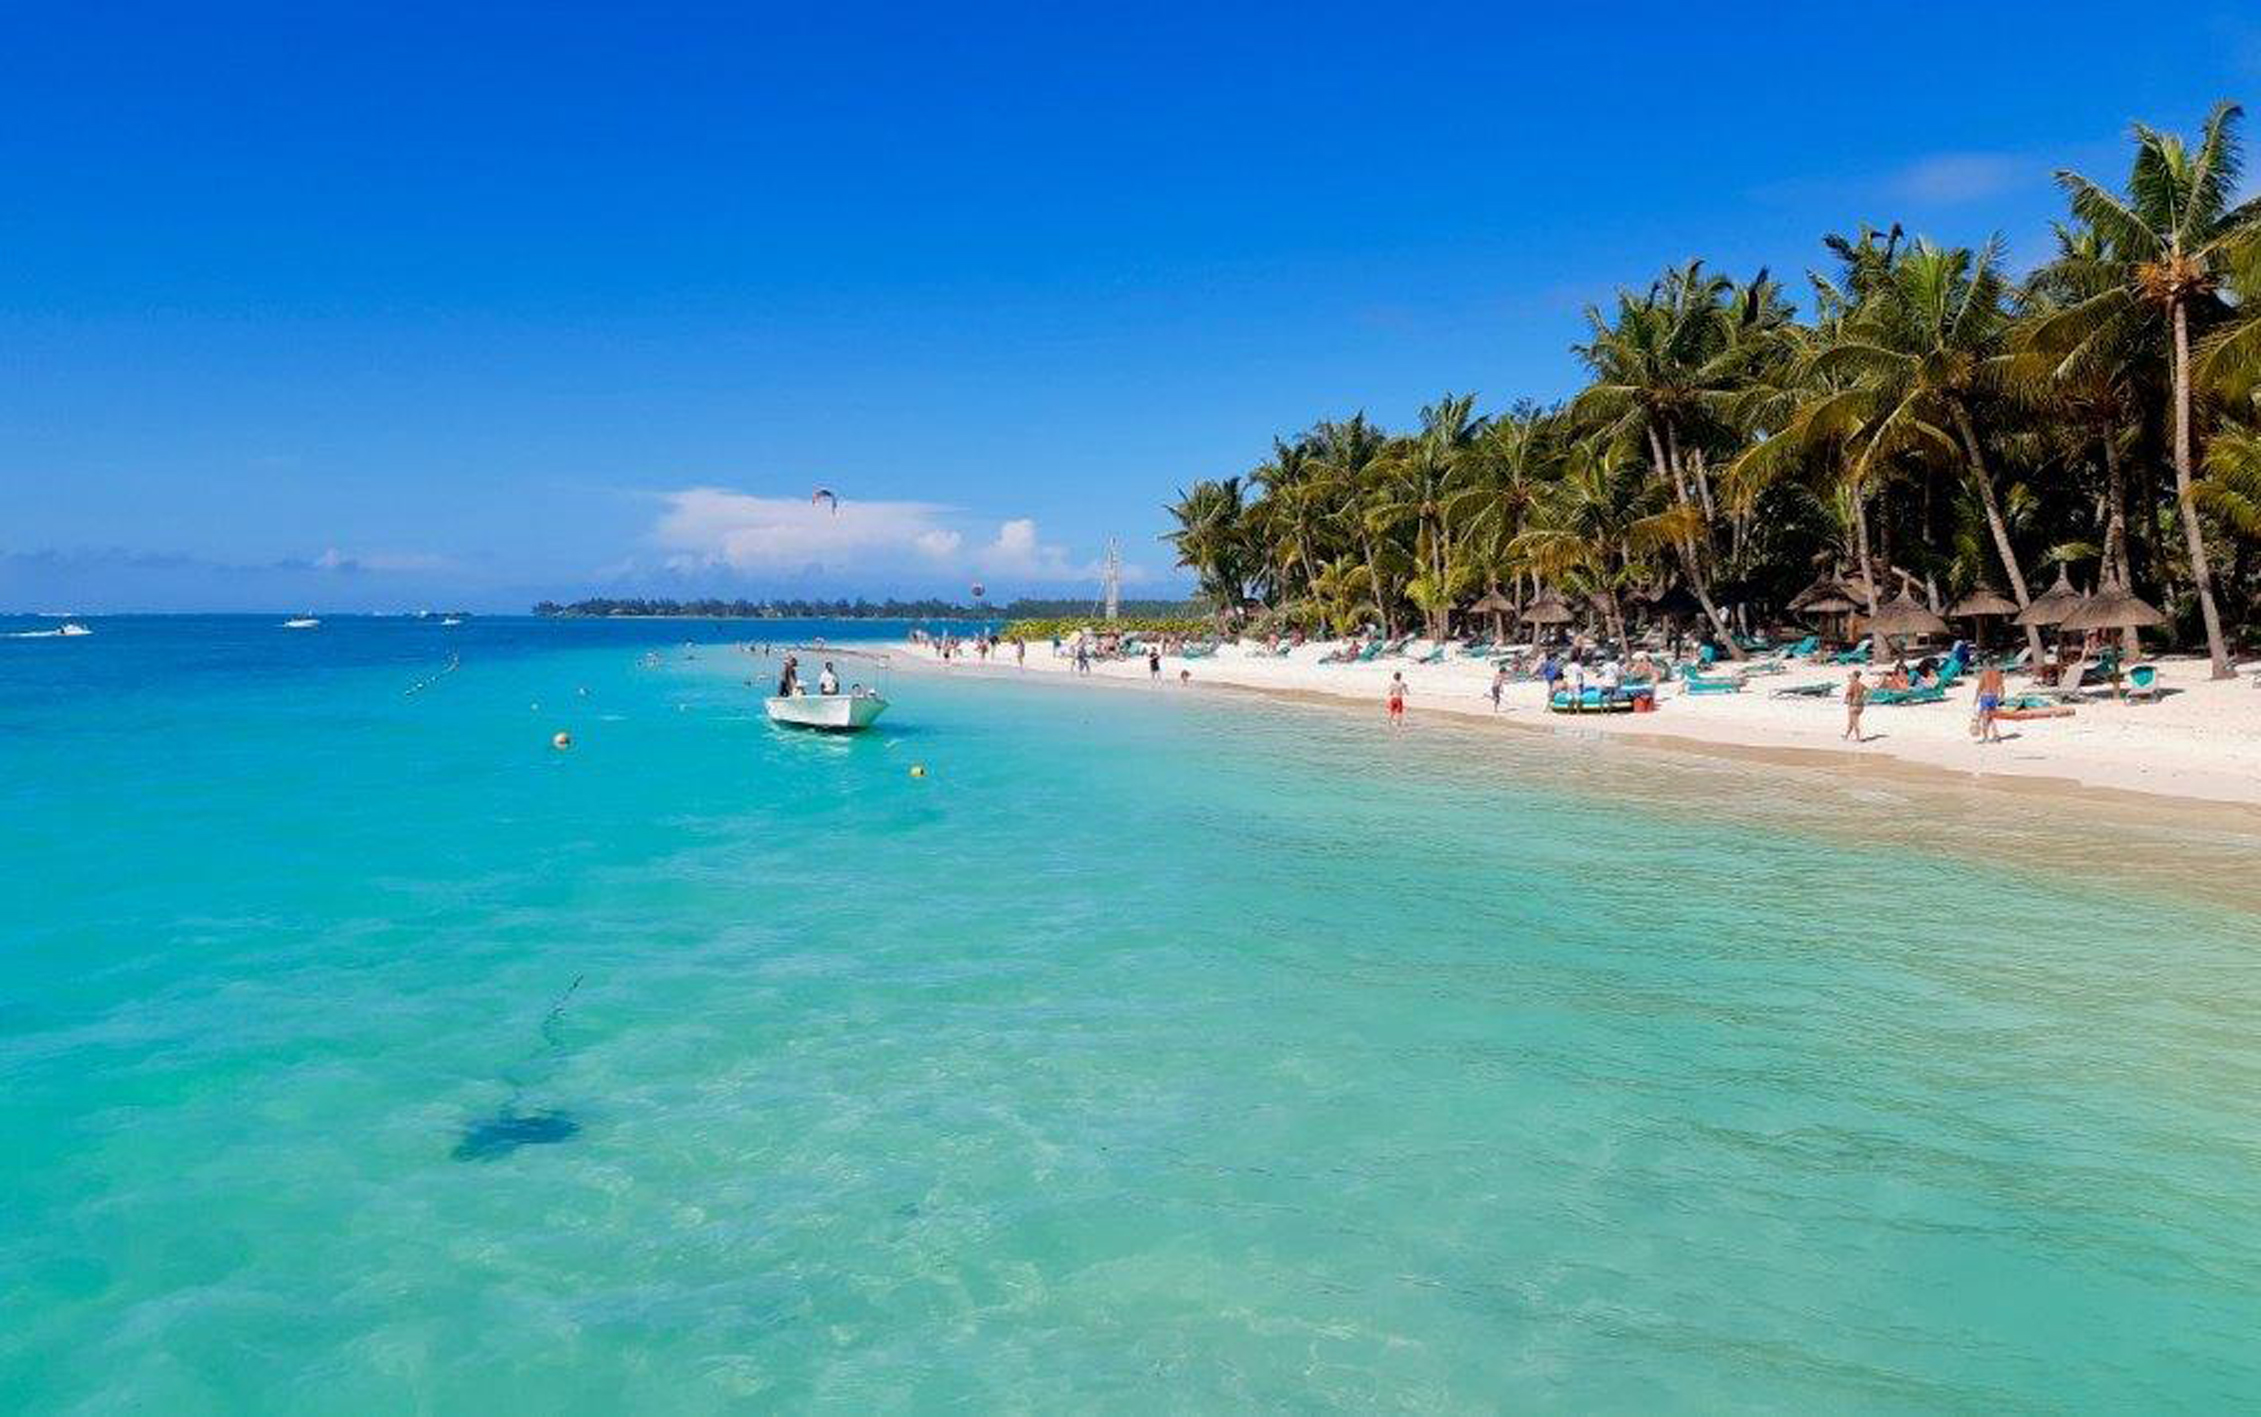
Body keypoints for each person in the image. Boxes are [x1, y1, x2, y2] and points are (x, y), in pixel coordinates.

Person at [1975, 662, 2005, 743]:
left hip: (1985, 696)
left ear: (1986, 665)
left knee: (1985, 717)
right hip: (1994, 696)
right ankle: (1996, 735)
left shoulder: (1984, 673)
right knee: (1991, 717)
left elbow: (1979, 687)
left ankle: (1985, 738)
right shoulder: (1998, 673)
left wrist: (1976, 699)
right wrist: (2002, 698)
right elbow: (2002, 687)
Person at [1843, 669, 1867, 742]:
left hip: (1853, 705)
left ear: (1855, 677)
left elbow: (1848, 694)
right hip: (1861, 705)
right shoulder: (1861, 685)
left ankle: (1858, 737)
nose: (1851, 678)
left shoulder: (1852, 685)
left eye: (1852, 676)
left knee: (1855, 722)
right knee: (1851, 721)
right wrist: (1864, 698)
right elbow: (1869, 691)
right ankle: (1846, 736)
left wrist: (1846, 701)